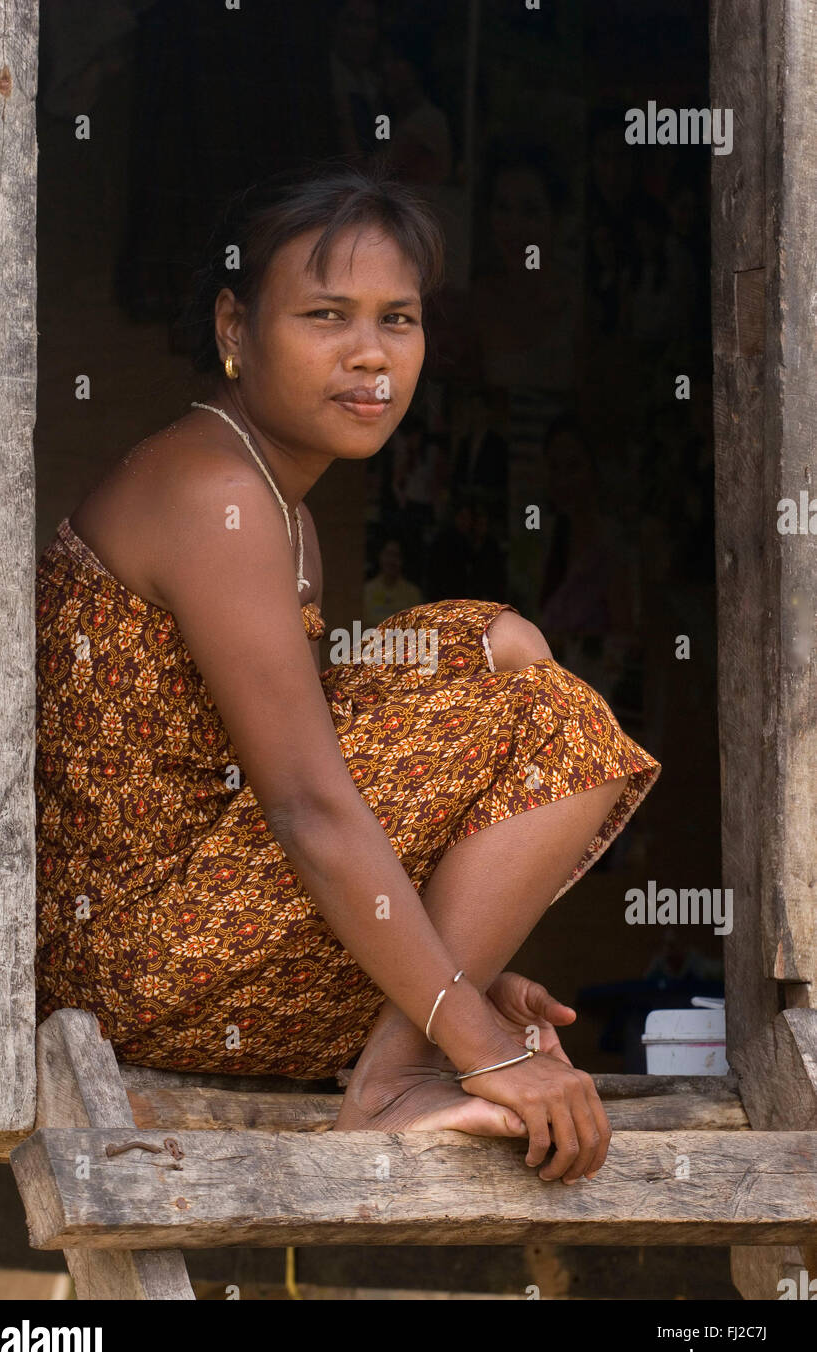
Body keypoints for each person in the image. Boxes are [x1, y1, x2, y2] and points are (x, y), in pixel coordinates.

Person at [35, 161, 660, 1184]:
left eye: (397, 320)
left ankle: (396, 1049)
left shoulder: (280, 503)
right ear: (235, 329)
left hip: (196, 927)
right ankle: (388, 1081)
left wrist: (466, 972)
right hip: (136, 965)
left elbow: (323, 796)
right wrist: (479, 1039)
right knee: (556, 721)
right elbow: (307, 808)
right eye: (325, 316)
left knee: (499, 644)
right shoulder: (212, 491)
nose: (369, 356)